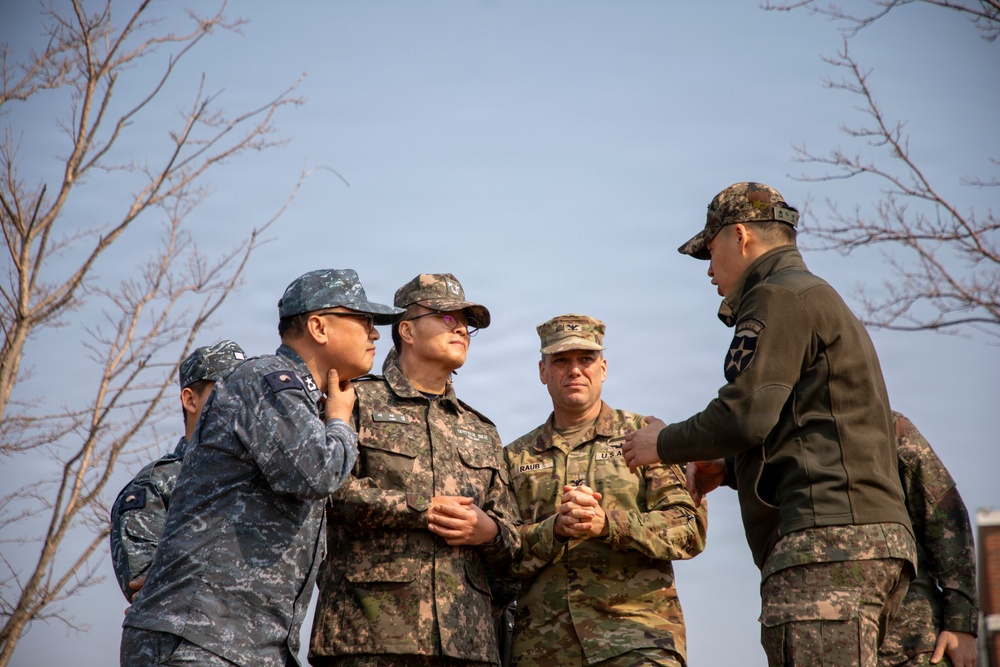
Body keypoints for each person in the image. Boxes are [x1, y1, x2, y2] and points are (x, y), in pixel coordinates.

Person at [621, 182, 916, 667]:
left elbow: (747, 414)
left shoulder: (776, 296)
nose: (709, 270)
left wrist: (663, 442)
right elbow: (805, 430)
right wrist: (726, 467)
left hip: (825, 545)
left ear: (740, 236)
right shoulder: (812, 296)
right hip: (862, 542)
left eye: (710, 252)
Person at [121, 268, 403, 667]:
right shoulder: (266, 380)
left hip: (246, 645)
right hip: (200, 640)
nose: (374, 334)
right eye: (364, 320)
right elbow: (317, 473)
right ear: (318, 327)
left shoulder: (301, 402)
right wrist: (340, 420)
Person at [308, 273, 521, 667]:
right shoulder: (353, 401)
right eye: (446, 317)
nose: (460, 328)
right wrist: (423, 507)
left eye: (466, 322)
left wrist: (489, 532)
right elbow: (324, 492)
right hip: (368, 636)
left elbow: (514, 543)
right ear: (406, 329)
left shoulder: (482, 430)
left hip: (467, 644)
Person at [504, 314, 708, 667]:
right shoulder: (514, 457)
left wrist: (608, 524)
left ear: (603, 368)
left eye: (586, 359)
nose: (575, 370)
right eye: (561, 361)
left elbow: (689, 529)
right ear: (542, 371)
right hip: (543, 650)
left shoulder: (647, 437)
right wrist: (554, 530)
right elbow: (499, 549)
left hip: (637, 640)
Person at [109, 339, 247, 602]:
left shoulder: (266, 480)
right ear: (190, 400)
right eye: (228, 390)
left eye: (248, 391)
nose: (240, 402)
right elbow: (149, 590)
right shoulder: (156, 487)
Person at [879, 412, 979, 667]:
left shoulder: (886, 426)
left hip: (912, 645)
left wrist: (960, 623)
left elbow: (944, 516)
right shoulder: (786, 436)